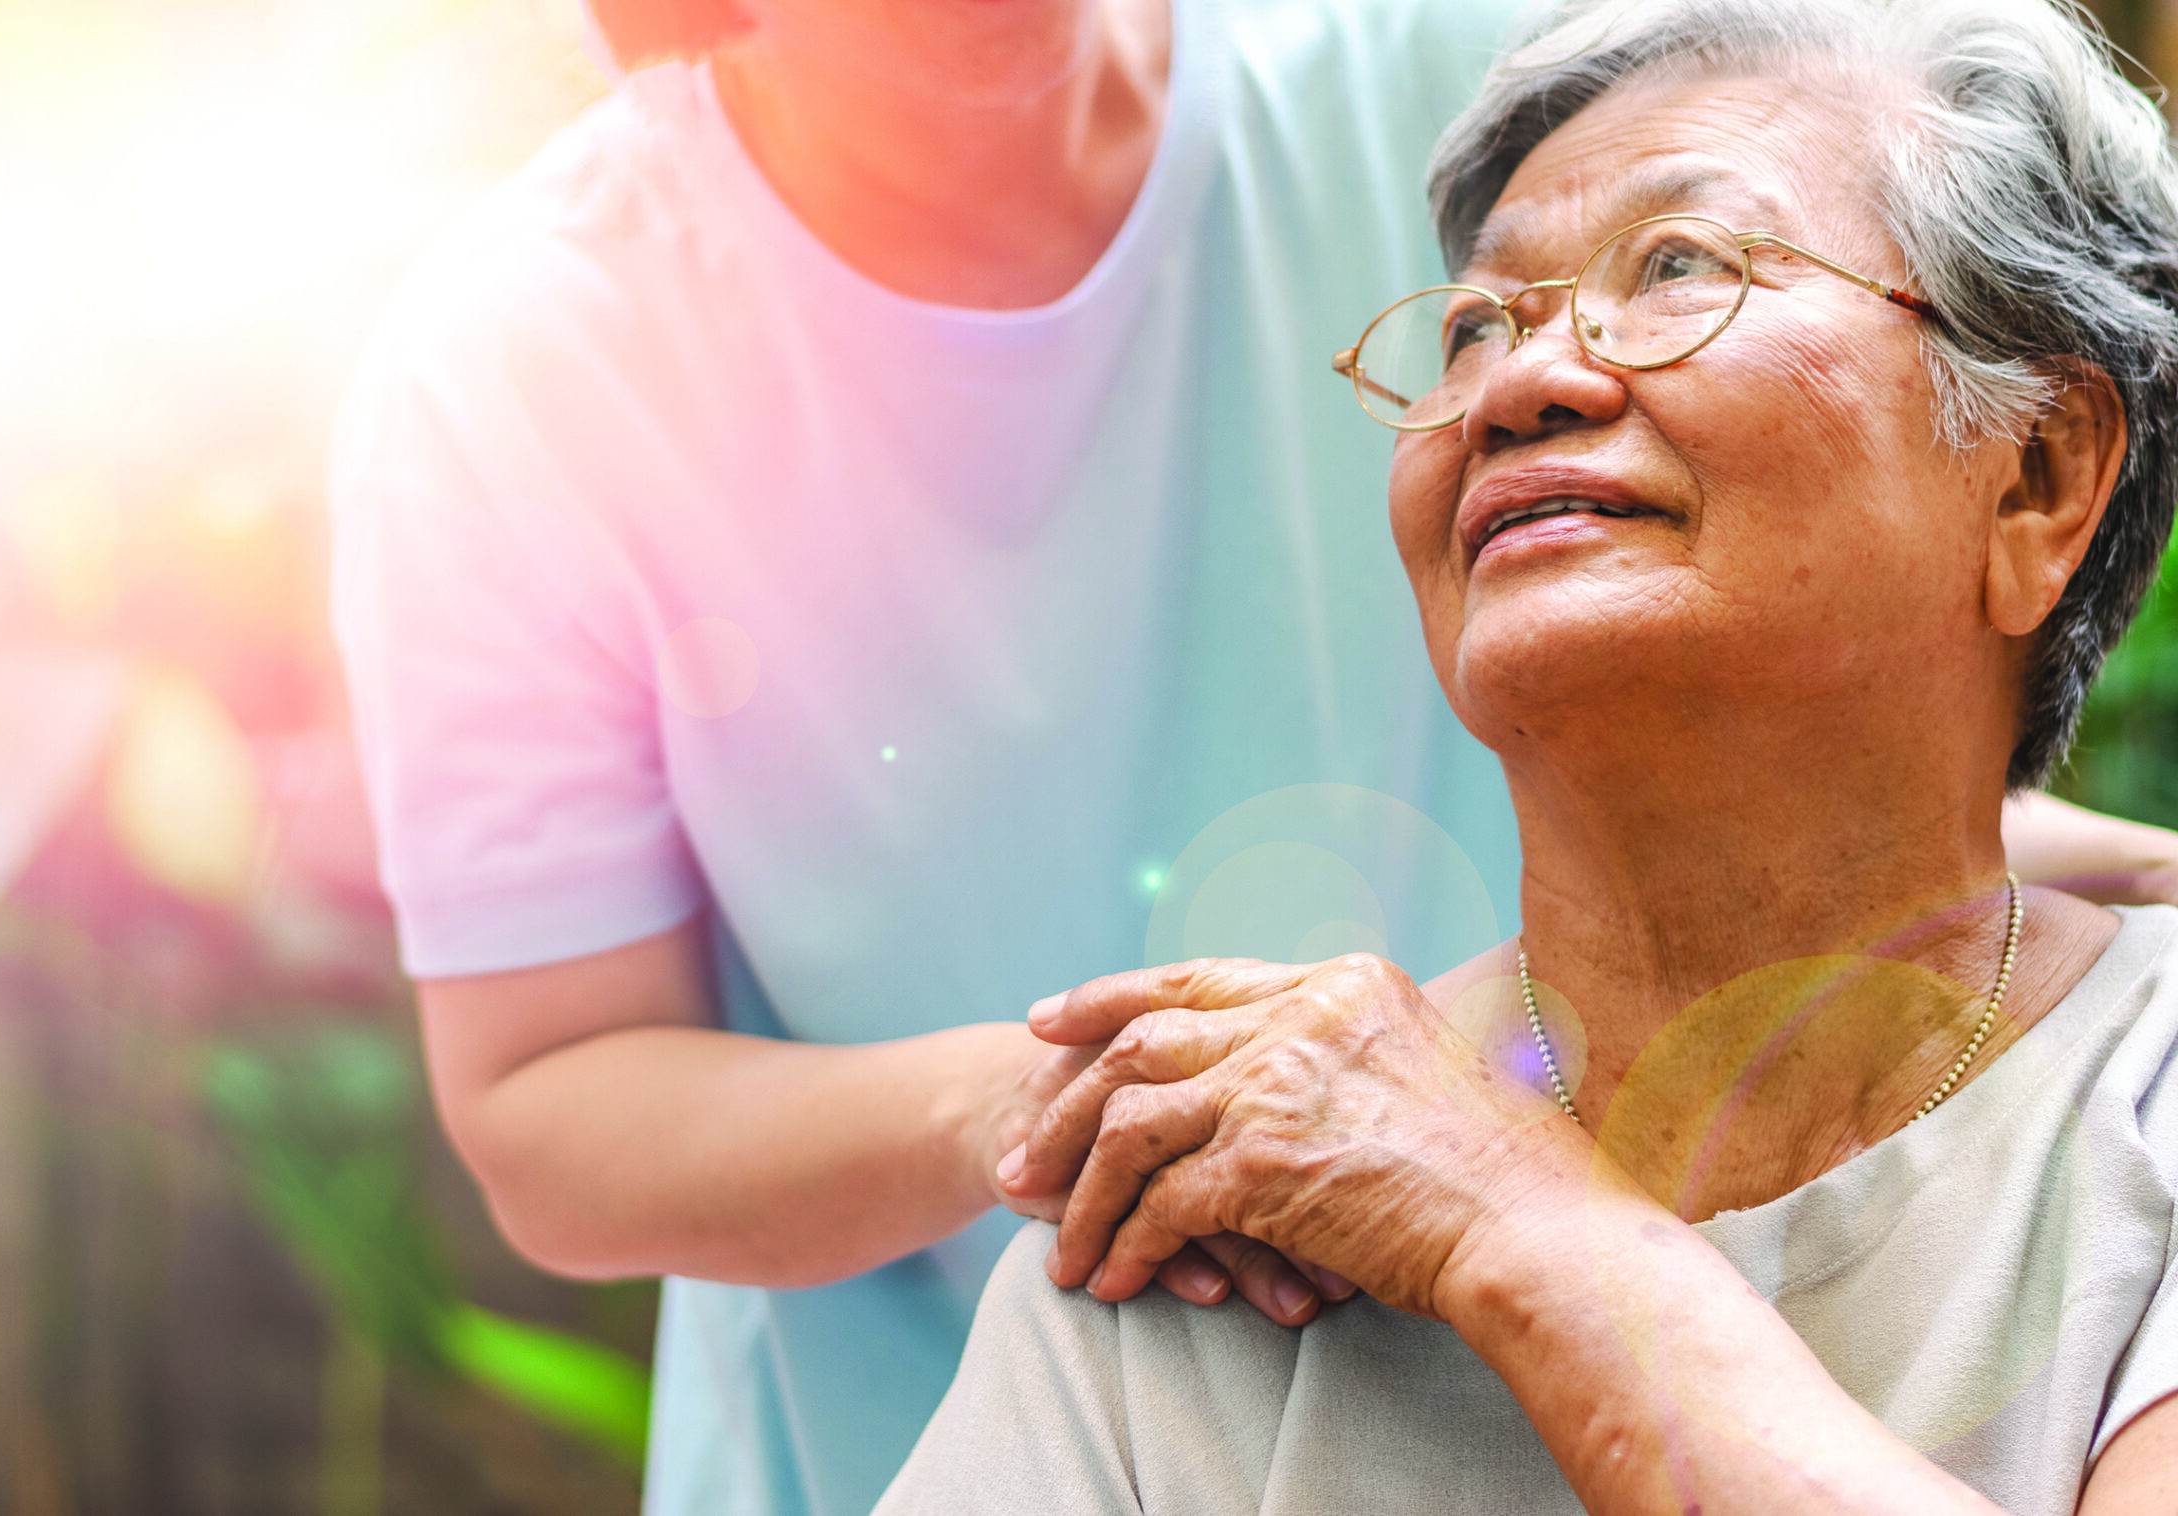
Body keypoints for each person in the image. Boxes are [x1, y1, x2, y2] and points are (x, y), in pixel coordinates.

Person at [327, 0, 2178, 1510]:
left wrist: (1952, 854)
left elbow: (1791, 639)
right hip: (1119, 1297)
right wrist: (1104, 1101)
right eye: (1472, 325)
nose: (1529, 371)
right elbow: (552, 1095)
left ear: (2042, 480)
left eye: (1674, 266)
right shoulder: (526, 362)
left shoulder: (1453, 77)